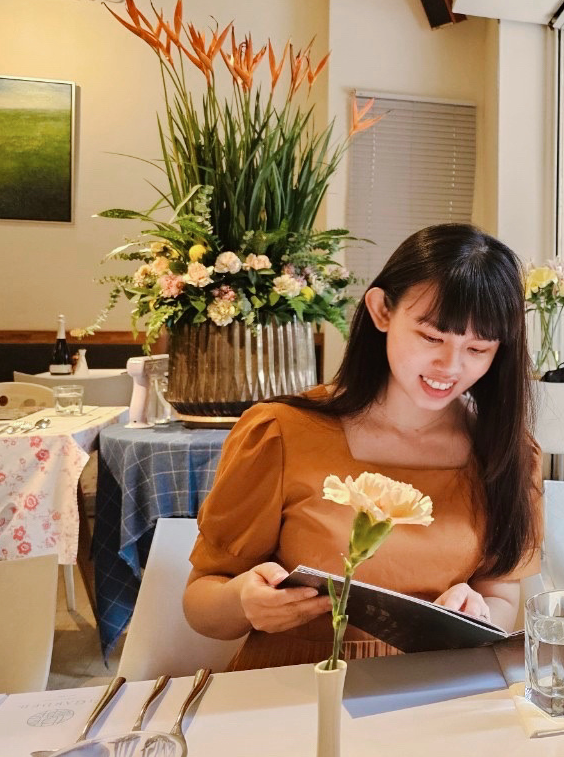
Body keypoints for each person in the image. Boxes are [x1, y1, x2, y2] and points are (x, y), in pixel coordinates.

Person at [183, 224, 542, 669]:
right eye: (432, 337)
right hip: (292, 688)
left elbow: (501, 592)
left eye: (478, 348)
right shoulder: (280, 433)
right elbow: (201, 604)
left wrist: (480, 612)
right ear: (381, 310)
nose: (450, 366)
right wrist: (242, 600)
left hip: (434, 689)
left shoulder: (506, 453)